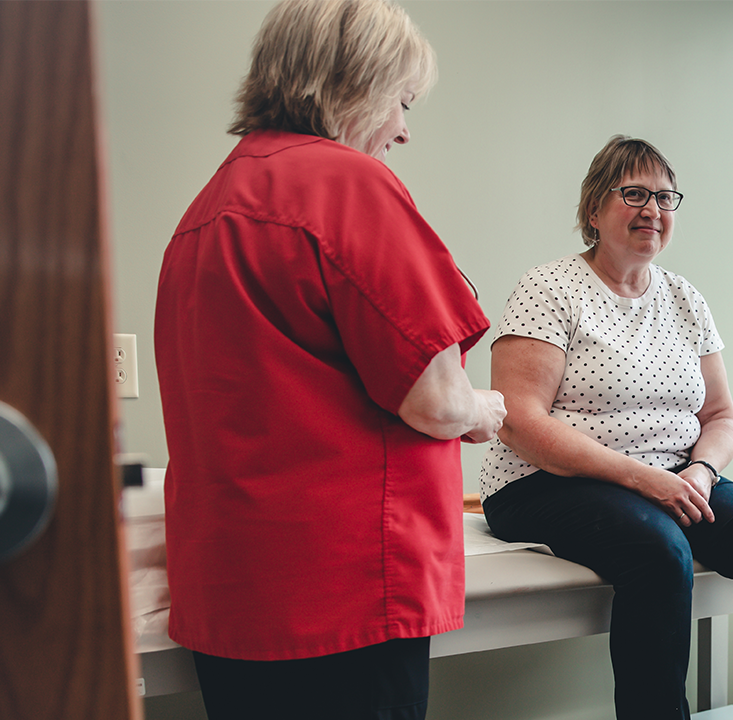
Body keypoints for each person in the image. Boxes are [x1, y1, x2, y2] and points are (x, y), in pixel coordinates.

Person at [153, 2, 505, 718]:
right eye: (402, 101)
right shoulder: (347, 184)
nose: (404, 129)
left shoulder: (207, 210)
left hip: (234, 592)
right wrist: (485, 410)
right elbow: (435, 400)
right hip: (343, 595)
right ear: (356, 80)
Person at [478, 135, 733, 720]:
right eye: (633, 193)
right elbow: (519, 421)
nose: (652, 211)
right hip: (542, 481)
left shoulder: (685, 299)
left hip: (671, 476)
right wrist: (642, 478)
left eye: (665, 198)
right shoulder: (550, 287)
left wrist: (703, 470)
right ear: (594, 210)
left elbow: (720, 416)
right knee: (663, 553)